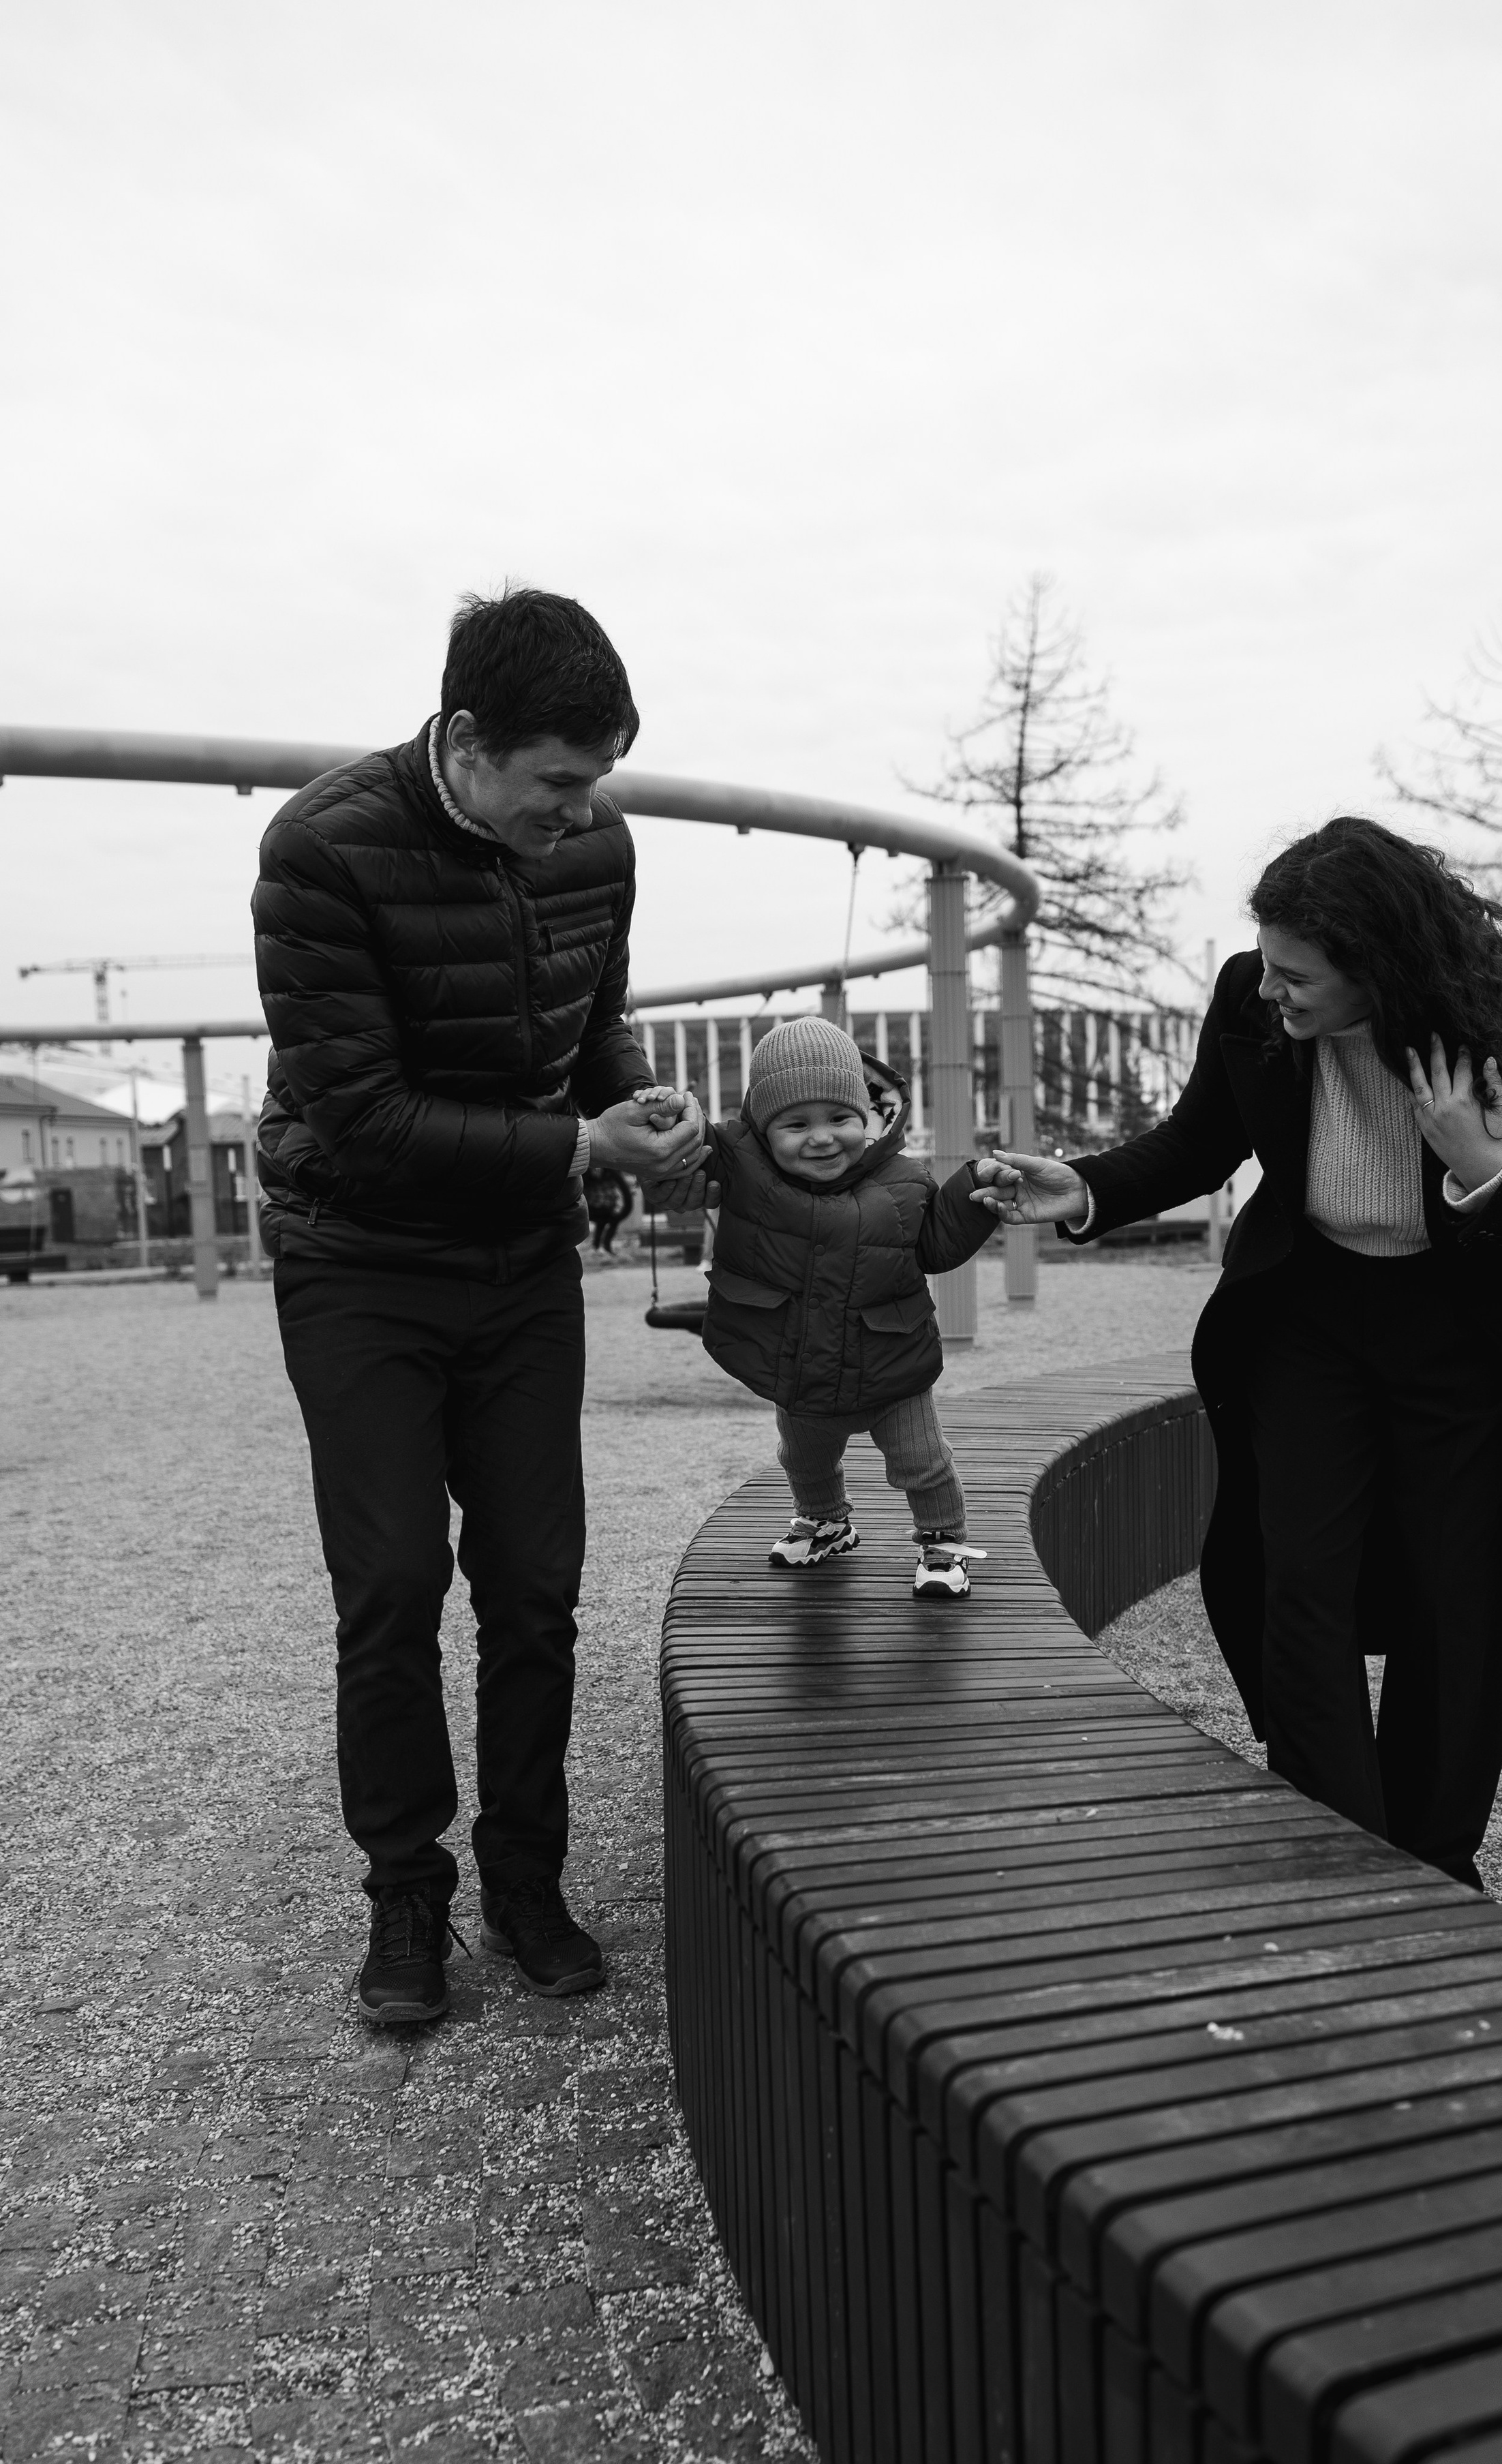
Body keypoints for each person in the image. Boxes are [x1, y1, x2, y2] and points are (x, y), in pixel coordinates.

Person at [975, 815, 1502, 1889]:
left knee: (1456, 1598)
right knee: (1298, 1581)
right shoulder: (1247, 996)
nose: (1272, 991)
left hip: (1462, 1327)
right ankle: (1338, 1847)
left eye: (1297, 975)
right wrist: (1086, 1188)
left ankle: (1436, 1858)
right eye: (1268, 965)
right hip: (1309, 1315)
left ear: (1380, 967)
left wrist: (1482, 1167)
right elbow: (1199, 1140)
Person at [254, 587, 705, 2025]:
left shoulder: (597, 844)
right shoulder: (319, 849)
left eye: (599, 780)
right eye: (557, 783)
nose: (582, 812)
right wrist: (583, 1147)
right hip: (358, 1253)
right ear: (465, 741)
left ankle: (527, 1874)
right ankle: (405, 1891)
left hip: (516, 1263)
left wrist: (621, 1096)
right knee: (390, 1585)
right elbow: (367, 1113)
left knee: (535, 1586)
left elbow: (590, 1022)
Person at [671, 1016, 998, 1597]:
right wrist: (666, 1107)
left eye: (841, 1119)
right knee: (805, 1457)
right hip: (798, 1359)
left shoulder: (903, 1179)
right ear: (763, 1129)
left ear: (866, 1116)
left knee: (922, 1460)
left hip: (890, 1360)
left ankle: (943, 1541)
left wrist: (975, 1196)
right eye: (796, 1124)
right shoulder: (743, 1166)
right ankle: (826, 1520)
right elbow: (688, 1140)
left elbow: (936, 1245)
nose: (822, 1138)